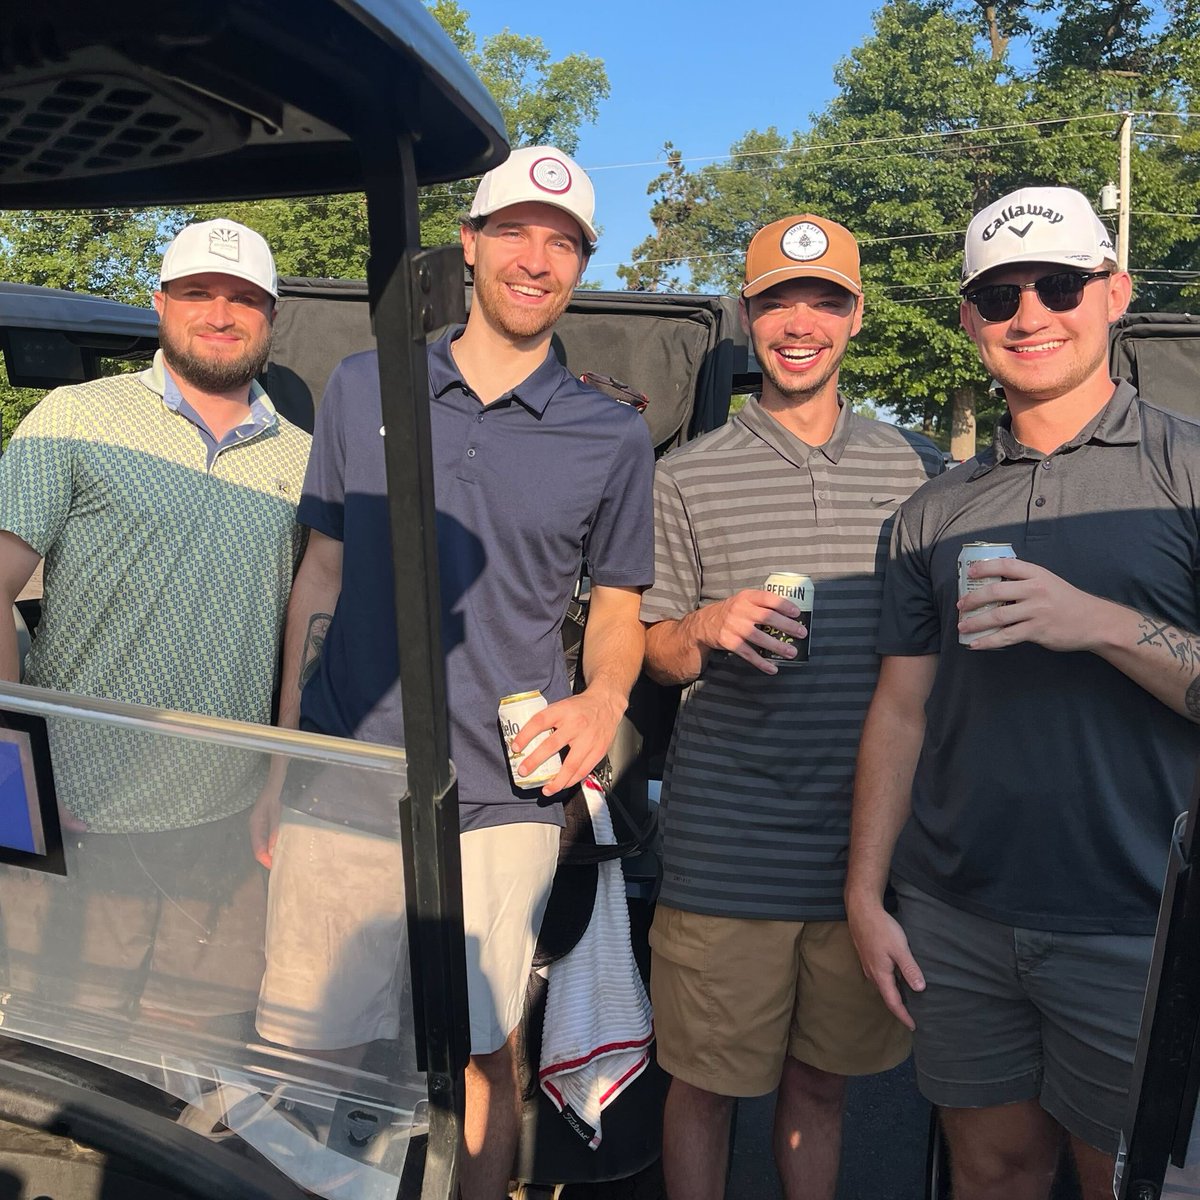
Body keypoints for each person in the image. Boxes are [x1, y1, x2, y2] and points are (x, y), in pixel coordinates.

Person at [252, 145, 655, 1199]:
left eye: (562, 242)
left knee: (485, 1056)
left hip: (504, 790)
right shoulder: (360, 384)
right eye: (514, 231)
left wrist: (604, 697)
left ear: (580, 266)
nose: (536, 258)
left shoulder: (610, 432)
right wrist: (282, 760)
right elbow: (321, 576)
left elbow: (618, 606)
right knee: (310, 1048)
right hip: (345, 773)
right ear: (468, 246)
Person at [846, 185, 1200, 1200]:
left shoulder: (1187, 471)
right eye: (1000, 295)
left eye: (1058, 284)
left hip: (1141, 925)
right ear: (970, 321)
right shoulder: (931, 511)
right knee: (990, 1173)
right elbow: (901, 713)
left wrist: (1096, 623)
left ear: (1115, 292)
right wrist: (865, 894)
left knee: (1128, 1182)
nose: (1030, 314)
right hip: (958, 920)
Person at [639, 214, 941, 1200]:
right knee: (703, 1090)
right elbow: (649, 650)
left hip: (860, 857)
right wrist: (707, 626)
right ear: (747, 316)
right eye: (778, 302)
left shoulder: (913, 472)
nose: (800, 322)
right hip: (725, 854)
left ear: (855, 317)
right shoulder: (684, 476)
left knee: (821, 1087)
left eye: (824, 301)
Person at [0, 219, 310, 1023]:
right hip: (82, 815)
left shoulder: (309, 462)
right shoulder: (74, 417)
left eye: (244, 298)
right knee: (67, 1060)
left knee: (198, 1060)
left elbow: (304, 637)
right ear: (159, 304)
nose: (221, 313)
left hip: (229, 829)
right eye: (198, 293)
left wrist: (278, 781)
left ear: (271, 318)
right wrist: (18, 779)